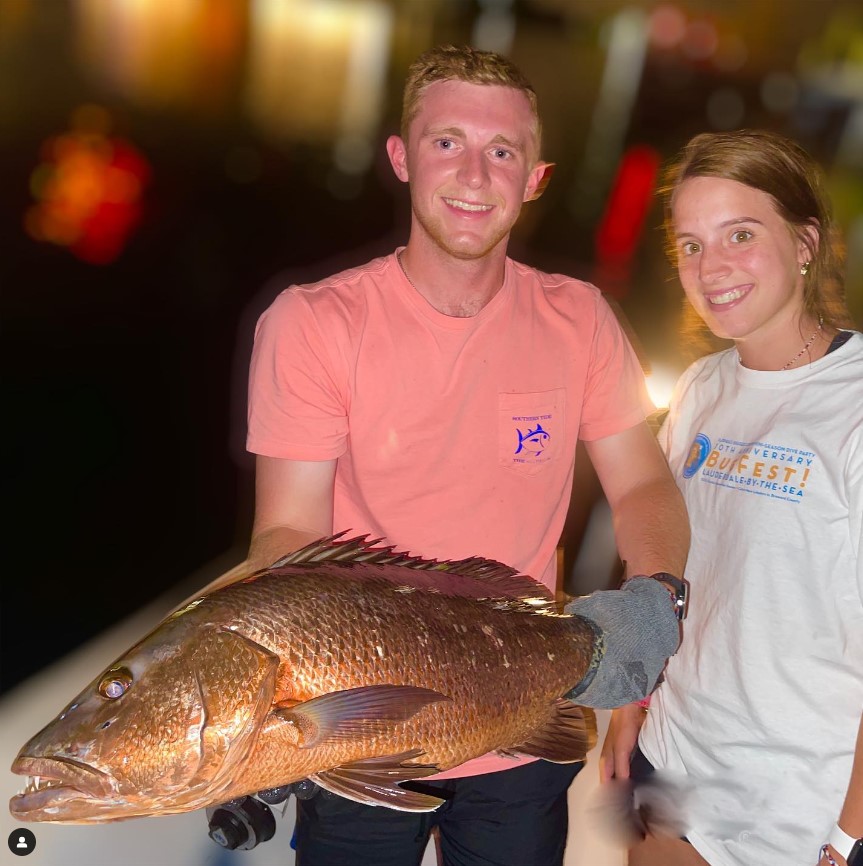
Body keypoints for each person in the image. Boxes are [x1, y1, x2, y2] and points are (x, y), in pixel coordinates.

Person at [234, 44, 689, 866]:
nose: (474, 175)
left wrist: (655, 596)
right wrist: (251, 694)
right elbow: (286, 540)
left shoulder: (578, 318)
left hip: (524, 717)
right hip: (361, 734)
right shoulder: (312, 324)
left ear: (536, 177)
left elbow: (643, 482)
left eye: (502, 151)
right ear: (402, 159)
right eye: (448, 143)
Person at [600, 129, 863, 866]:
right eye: (689, 245)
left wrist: (848, 839)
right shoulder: (699, 390)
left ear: (805, 241)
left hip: (798, 809)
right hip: (672, 770)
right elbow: (668, 570)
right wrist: (631, 701)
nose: (710, 267)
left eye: (738, 235)